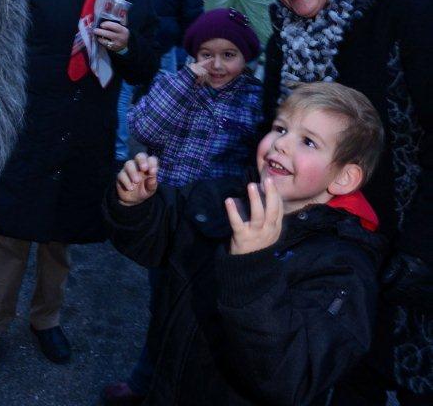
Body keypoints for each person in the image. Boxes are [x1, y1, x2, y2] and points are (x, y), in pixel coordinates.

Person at [246, 0, 433, 405]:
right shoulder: (284, 36)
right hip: (325, 255)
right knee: (339, 377)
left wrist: (421, 251)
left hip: (408, 248)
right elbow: (268, 132)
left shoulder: (410, 11)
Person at [0, 0, 160, 375]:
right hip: (32, 125)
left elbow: (146, 68)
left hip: (86, 134)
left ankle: (46, 320)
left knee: (60, 239)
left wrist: (128, 46)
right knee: (11, 236)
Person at [102, 82, 386, 406]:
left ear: (344, 178)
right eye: (280, 128)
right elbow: (154, 240)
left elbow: (290, 376)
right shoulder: (224, 198)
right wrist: (134, 205)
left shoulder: (343, 268)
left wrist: (252, 268)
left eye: (308, 141)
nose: (281, 144)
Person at [103, 7, 264, 404]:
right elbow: (143, 126)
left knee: (203, 312)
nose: (217, 65)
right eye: (207, 54)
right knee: (163, 304)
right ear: (193, 55)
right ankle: (145, 381)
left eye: (229, 55)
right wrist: (184, 82)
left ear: (245, 57)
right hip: (173, 217)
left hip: (220, 225)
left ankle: (185, 388)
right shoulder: (175, 85)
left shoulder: (256, 99)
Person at [115, 0, 204, 161]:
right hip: (163, 44)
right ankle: (159, 157)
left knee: (122, 96)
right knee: (170, 97)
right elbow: (192, 10)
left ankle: (118, 152)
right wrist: (190, 44)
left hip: (127, 38)